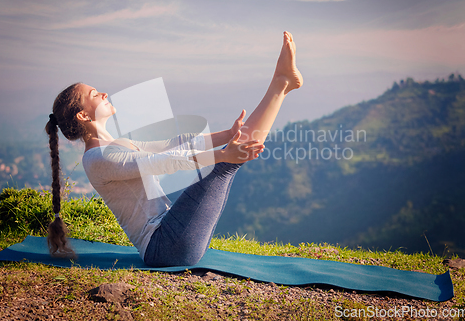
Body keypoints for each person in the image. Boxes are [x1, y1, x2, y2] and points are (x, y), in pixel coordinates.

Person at [45, 31, 303, 266]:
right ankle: (280, 85)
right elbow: (165, 161)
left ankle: (281, 84)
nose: (103, 93)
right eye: (93, 94)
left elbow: (171, 146)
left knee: (227, 158)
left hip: (170, 236)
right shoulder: (98, 159)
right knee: (224, 164)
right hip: (165, 247)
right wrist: (223, 154)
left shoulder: (114, 146)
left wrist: (228, 135)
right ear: (82, 116)